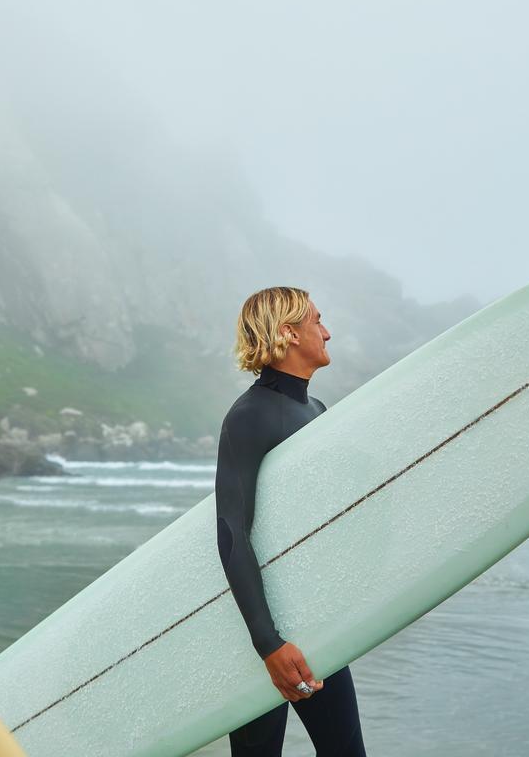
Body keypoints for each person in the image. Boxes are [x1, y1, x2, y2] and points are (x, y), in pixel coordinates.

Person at [215, 286, 366, 756]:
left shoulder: (315, 410)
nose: (327, 331)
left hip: (312, 622)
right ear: (287, 332)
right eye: (316, 321)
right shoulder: (250, 416)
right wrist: (267, 643)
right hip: (264, 635)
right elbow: (231, 531)